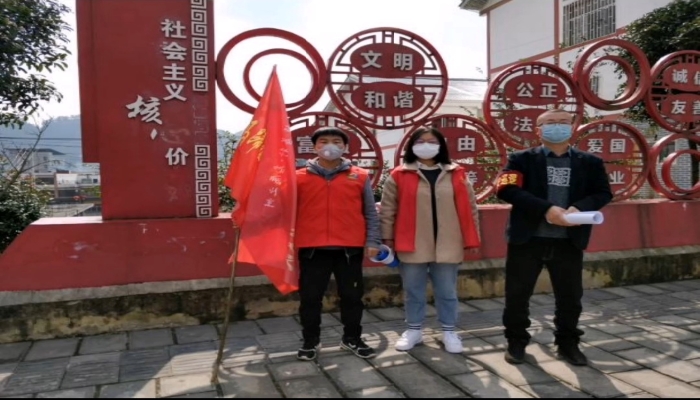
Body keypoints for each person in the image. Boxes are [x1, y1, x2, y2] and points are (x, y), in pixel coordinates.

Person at [496, 108, 612, 366]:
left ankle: (568, 343)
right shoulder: (520, 159)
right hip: (528, 239)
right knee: (517, 295)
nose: (557, 126)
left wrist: (579, 208)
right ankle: (516, 341)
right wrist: (546, 209)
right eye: (550, 122)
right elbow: (506, 189)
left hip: (569, 239)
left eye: (563, 122)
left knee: (570, 297)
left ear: (572, 127)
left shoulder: (590, 162)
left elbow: (603, 193)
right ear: (538, 130)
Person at [379, 126, 481, 354]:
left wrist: (473, 238)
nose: (426, 145)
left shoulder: (456, 173)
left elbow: (471, 208)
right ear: (412, 146)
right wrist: (387, 238)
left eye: (432, 141)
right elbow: (387, 210)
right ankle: (414, 330)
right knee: (413, 290)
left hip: (449, 242)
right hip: (412, 242)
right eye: (420, 141)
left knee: (447, 291)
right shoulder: (400, 174)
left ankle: (449, 331)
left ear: (441, 146)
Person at [295, 127, 381, 361]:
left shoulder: (360, 176)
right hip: (312, 249)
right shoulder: (298, 177)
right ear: (315, 147)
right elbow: (282, 209)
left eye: (336, 141)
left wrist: (373, 240)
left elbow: (370, 212)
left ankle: (352, 338)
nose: (330, 146)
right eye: (323, 141)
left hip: (349, 249)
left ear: (345, 147)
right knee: (310, 298)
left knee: (352, 297)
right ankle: (310, 341)